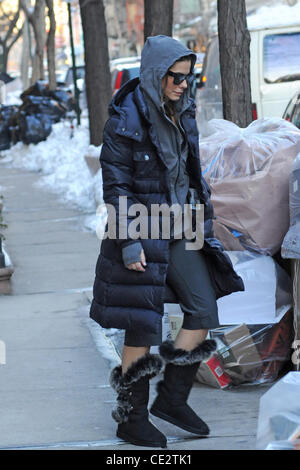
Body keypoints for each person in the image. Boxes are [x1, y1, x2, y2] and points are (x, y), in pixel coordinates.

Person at [90, 35, 244, 448]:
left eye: (188, 78)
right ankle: (131, 417)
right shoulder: (125, 120)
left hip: (183, 227)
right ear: (156, 74)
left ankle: (172, 399)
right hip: (141, 229)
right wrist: (128, 243)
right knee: (141, 324)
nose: (182, 84)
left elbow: (187, 171)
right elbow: (116, 185)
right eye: (175, 77)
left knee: (203, 308)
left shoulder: (183, 111)